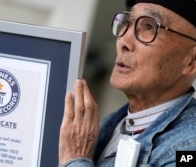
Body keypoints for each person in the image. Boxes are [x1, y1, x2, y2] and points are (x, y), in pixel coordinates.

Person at [59, 0, 196, 166]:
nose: (124, 41)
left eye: (148, 27)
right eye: (127, 23)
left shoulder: (188, 148)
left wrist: (75, 158)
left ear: (191, 61)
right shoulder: (107, 126)